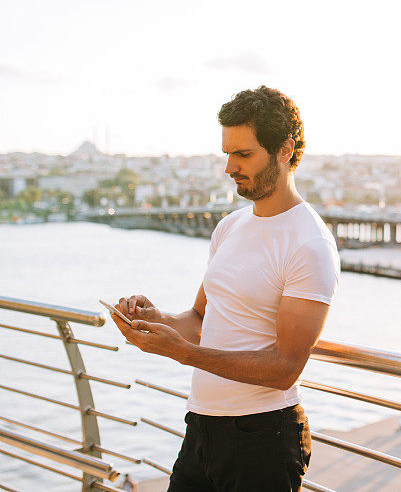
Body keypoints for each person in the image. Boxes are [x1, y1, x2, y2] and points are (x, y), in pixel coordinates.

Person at [111, 86, 340, 492]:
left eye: (243, 154)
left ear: (285, 149)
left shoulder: (310, 244)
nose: (230, 167)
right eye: (227, 154)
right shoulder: (229, 227)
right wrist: (155, 320)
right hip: (201, 429)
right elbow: (200, 319)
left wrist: (184, 355)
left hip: (263, 440)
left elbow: (287, 367)